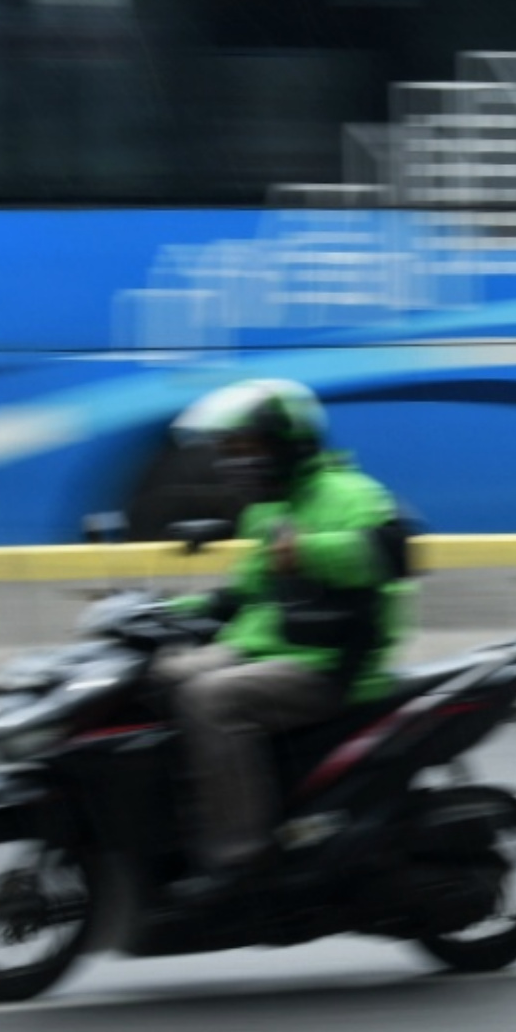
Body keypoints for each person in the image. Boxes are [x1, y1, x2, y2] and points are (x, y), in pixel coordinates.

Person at [160, 378, 416, 898]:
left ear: (289, 443)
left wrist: (309, 550)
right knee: (158, 673)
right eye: (230, 451)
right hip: (269, 649)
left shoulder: (349, 493)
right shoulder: (269, 510)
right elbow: (242, 596)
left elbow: (396, 552)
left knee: (209, 699)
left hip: (331, 666)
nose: (236, 463)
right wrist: (159, 613)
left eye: (247, 449)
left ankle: (243, 851)